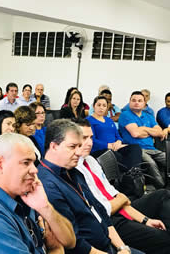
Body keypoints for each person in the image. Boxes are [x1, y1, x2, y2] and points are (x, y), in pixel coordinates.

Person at [37, 119, 143, 254]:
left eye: (79, 146)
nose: (79, 152)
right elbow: (74, 243)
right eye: (72, 147)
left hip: (109, 244)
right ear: (54, 146)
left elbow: (101, 213)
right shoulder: (47, 184)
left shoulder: (74, 172)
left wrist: (122, 248)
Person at [0, 133, 76, 254]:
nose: (35, 170)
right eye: (26, 163)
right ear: (0, 164)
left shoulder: (22, 194)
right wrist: (55, 249)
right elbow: (59, 246)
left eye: (33, 163)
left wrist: (46, 207)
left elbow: (70, 241)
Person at [76, 119, 170, 254]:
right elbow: (103, 209)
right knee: (163, 239)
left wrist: (145, 220)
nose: (90, 142)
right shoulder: (73, 170)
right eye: (84, 138)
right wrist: (121, 199)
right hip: (110, 222)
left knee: (163, 194)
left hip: (120, 210)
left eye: (91, 137)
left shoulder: (91, 161)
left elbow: (115, 194)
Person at [119, 91, 166, 188]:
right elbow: (135, 133)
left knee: (167, 158)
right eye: (134, 100)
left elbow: (160, 132)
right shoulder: (125, 115)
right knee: (151, 164)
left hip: (152, 149)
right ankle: (162, 187)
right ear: (129, 102)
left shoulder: (148, 116)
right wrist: (150, 131)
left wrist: (143, 129)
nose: (136, 102)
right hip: (137, 149)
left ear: (144, 103)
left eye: (140, 101)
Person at [86, 96, 142, 171]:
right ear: (94, 106)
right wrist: (108, 145)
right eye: (99, 105)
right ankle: (131, 174)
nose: (101, 108)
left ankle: (134, 173)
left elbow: (118, 136)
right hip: (100, 150)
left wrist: (119, 142)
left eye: (104, 106)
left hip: (114, 148)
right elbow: (91, 140)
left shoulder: (109, 120)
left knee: (135, 148)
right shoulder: (88, 121)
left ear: (107, 108)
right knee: (115, 155)